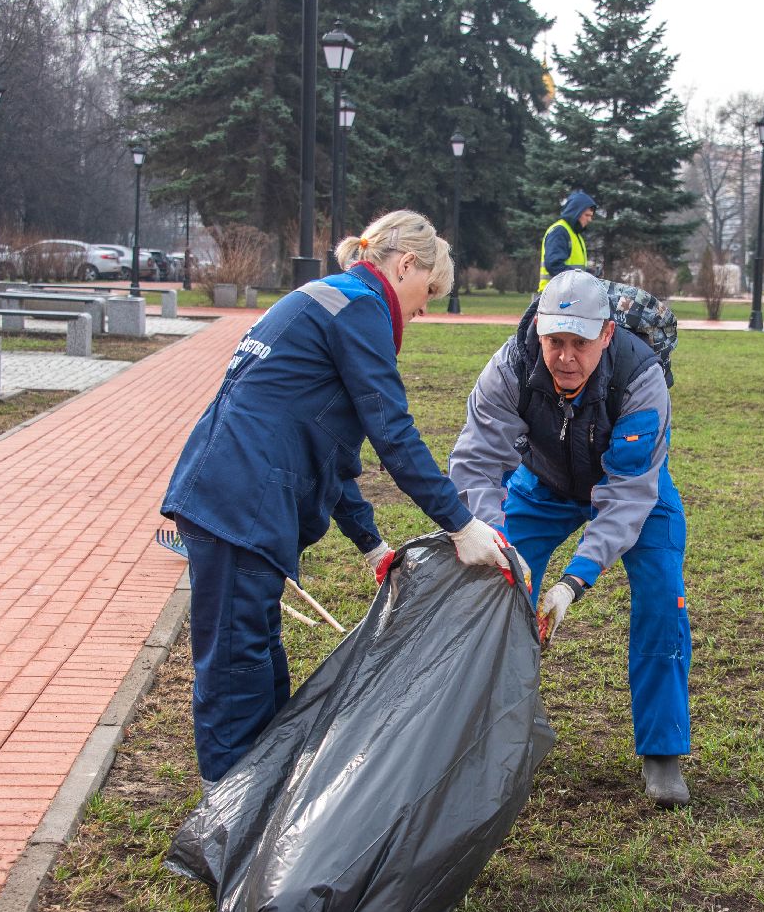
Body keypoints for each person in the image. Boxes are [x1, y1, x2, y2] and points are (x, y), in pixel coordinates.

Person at [161, 209, 512, 791]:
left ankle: (258, 791)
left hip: (238, 494)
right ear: (405, 265)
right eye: (427, 292)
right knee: (234, 663)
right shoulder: (361, 308)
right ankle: (225, 810)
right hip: (240, 499)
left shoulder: (332, 298)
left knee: (256, 650)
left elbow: (328, 440)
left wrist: (371, 543)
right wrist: (460, 524)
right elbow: (392, 432)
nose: (423, 310)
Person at [448, 269, 693, 806]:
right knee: (494, 589)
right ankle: (496, 730)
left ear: (606, 334)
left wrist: (573, 582)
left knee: (662, 596)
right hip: (543, 482)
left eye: (580, 343)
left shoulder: (641, 377)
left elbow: (627, 496)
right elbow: (476, 465)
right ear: (538, 330)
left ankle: (662, 751)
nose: (565, 357)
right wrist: (497, 543)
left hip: (633, 484)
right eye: (554, 341)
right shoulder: (508, 368)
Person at [538, 190, 596, 290]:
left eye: (591, 216)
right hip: (554, 295)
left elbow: (572, 267)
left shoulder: (574, 234)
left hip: (564, 294)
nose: (589, 219)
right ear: (575, 213)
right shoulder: (560, 231)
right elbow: (554, 265)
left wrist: (588, 273)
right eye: (587, 215)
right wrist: (583, 277)